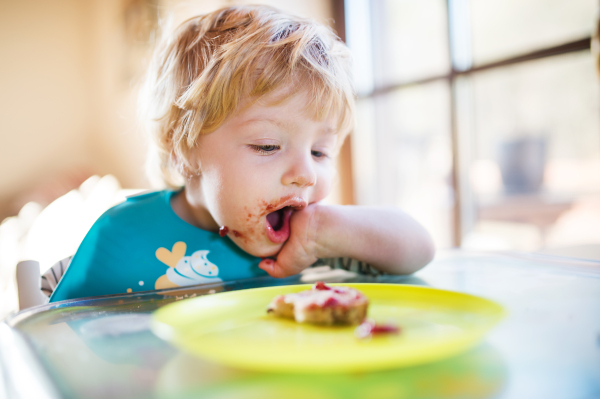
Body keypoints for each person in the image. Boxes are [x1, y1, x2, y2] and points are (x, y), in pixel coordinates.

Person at [49, 5, 434, 302]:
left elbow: (418, 249)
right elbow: (52, 333)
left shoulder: (307, 240)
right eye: (267, 146)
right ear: (183, 148)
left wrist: (323, 232)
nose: (306, 174)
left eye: (319, 151)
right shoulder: (121, 237)